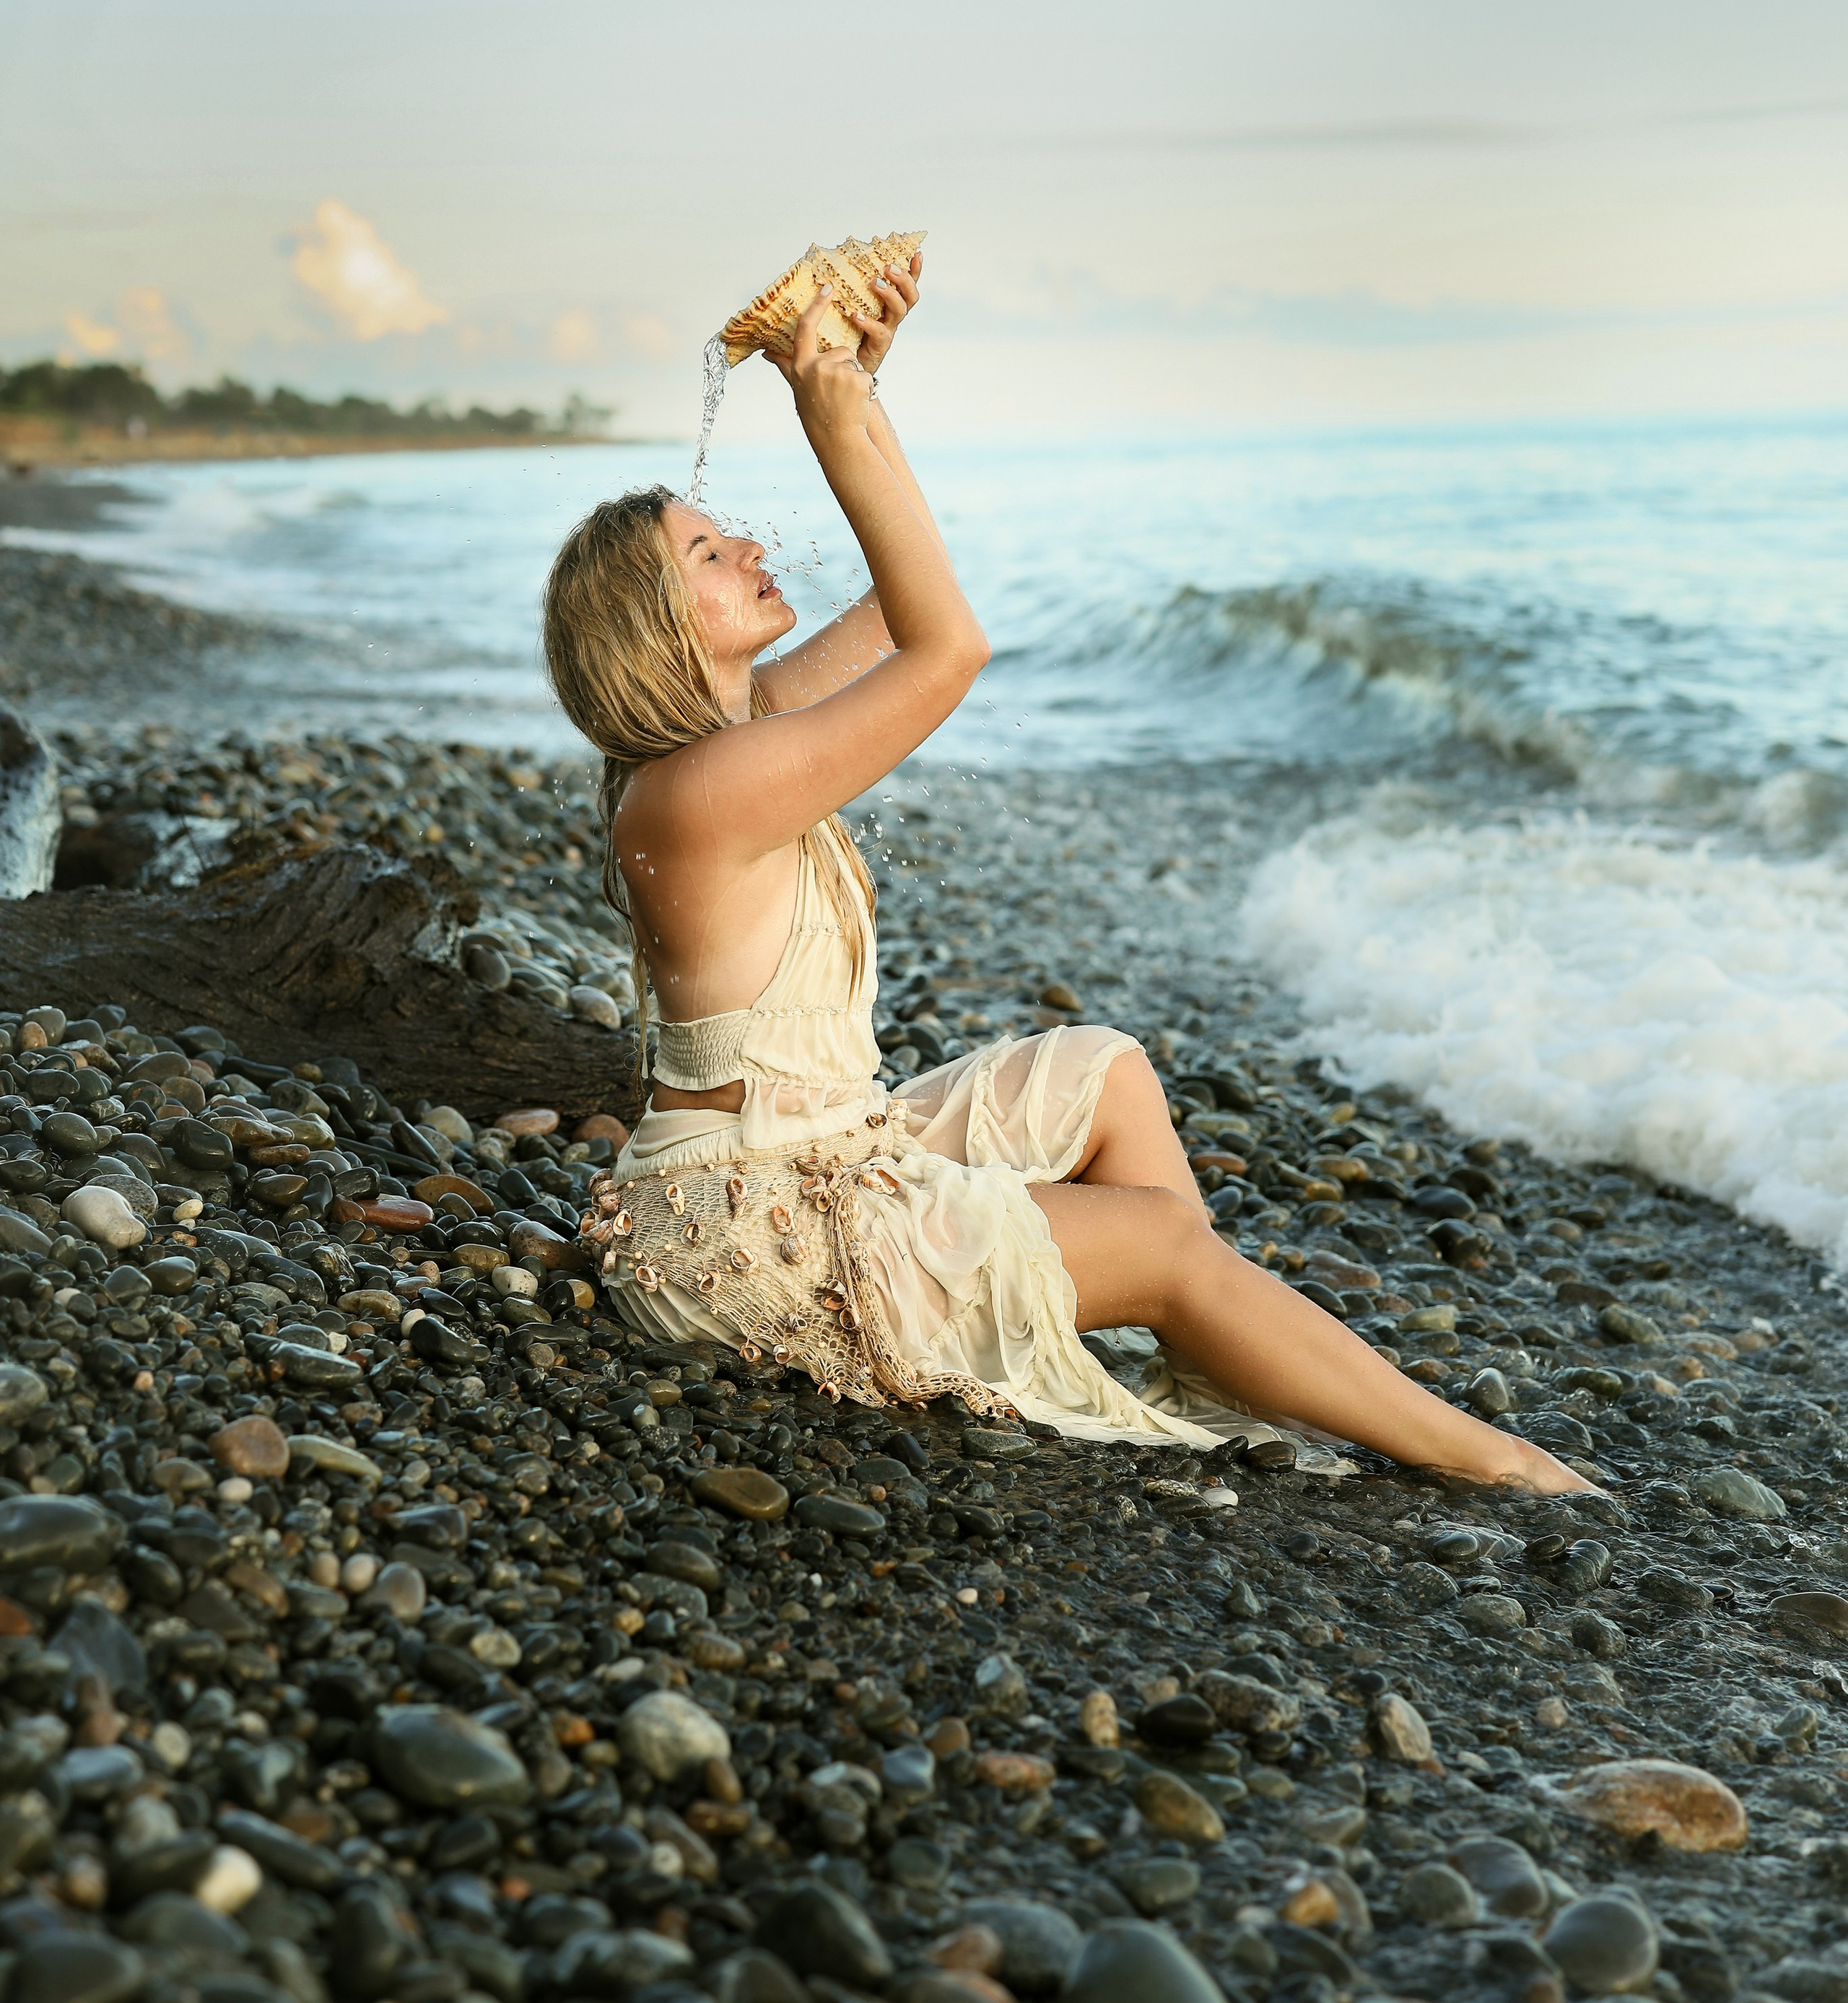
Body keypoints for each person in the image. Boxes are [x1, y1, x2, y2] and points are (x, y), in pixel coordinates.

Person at [541, 251, 1592, 1491]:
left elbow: (904, 605)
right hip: (751, 1236)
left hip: (812, 1147)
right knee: (1163, 1242)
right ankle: (1492, 1459)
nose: (750, 547)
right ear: (653, 625)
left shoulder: (737, 737)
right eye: (709, 555)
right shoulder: (705, 789)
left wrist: (862, 402)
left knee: (1104, 1074)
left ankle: (1194, 1318)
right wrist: (824, 420)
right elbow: (952, 650)